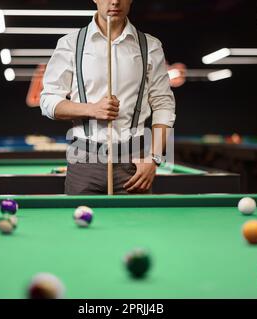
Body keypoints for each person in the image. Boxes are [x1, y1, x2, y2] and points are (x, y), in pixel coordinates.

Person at [40, 0, 176, 195]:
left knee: (135, 226)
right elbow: (48, 101)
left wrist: (154, 158)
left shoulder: (150, 46)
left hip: (134, 163)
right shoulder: (70, 43)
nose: (114, 1)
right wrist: (91, 109)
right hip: (83, 161)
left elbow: (164, 105)